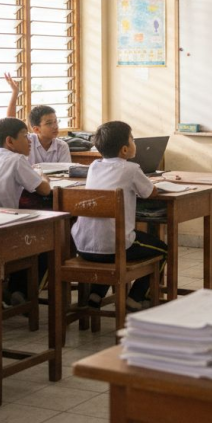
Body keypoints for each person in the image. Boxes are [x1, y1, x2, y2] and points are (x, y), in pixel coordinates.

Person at [71, 121, 168, 310]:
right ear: (125, 150)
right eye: (132, 139)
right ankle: (136, 297)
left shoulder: (94, 166)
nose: (134, 142)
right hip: (115, 249)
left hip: (83, 247)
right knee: (163, 250)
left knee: (107, 242)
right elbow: (150, 193)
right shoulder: (130, 169)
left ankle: (96, 295)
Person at [0, 117, 51, 305]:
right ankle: (22, 292)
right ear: (10, 141)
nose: (30, 141)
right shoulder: (16, 159)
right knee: (51, 242)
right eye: (25, 136)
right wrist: (42, 175)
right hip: (3, 230)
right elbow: (44, 190)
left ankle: (14, 290)